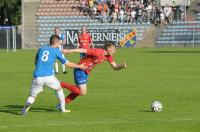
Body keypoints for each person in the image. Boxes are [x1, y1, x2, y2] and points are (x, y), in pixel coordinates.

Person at [21, 35, 86, 115]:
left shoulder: (41, 49)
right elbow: (68, 64)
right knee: (59, 89)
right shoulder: (56, 51)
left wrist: (40, 67)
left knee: (32, 96)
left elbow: (36, 60)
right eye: (59, 43)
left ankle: (27, 106)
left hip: (37, 76)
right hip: (48, 77)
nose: (60, 44)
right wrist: (80, 66)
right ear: (56, 42)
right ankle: (62, 108)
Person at [60, 42, 126, 110]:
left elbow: (115, 67)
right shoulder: (98, 52)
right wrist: (69, 51)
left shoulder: (108, 56)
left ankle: (61, 105)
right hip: (80, 69)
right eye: (113, 49)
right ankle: (61, 84)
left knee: (78, 92)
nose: (115, 51)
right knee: (82, 92)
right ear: (108, 49)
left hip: (86, 72)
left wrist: (121, 66)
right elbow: (83, 50)